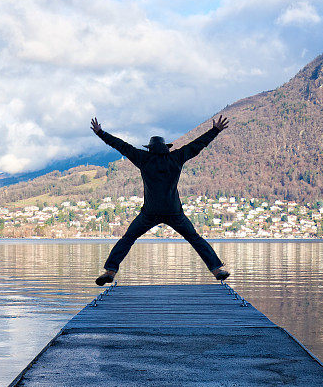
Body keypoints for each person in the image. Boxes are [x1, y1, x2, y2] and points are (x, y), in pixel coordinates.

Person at [90, 115, 231, 285]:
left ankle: (110, 271)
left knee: (127, 239)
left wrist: (100, 133)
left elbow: (121, 146)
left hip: (150, 212)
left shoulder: (143, 158)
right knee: (195, 239)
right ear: (166, 147)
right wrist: (215, 130)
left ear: (149, 149)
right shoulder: (176, 157)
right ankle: (217, 270)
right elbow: (197, 145)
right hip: (174, 211)